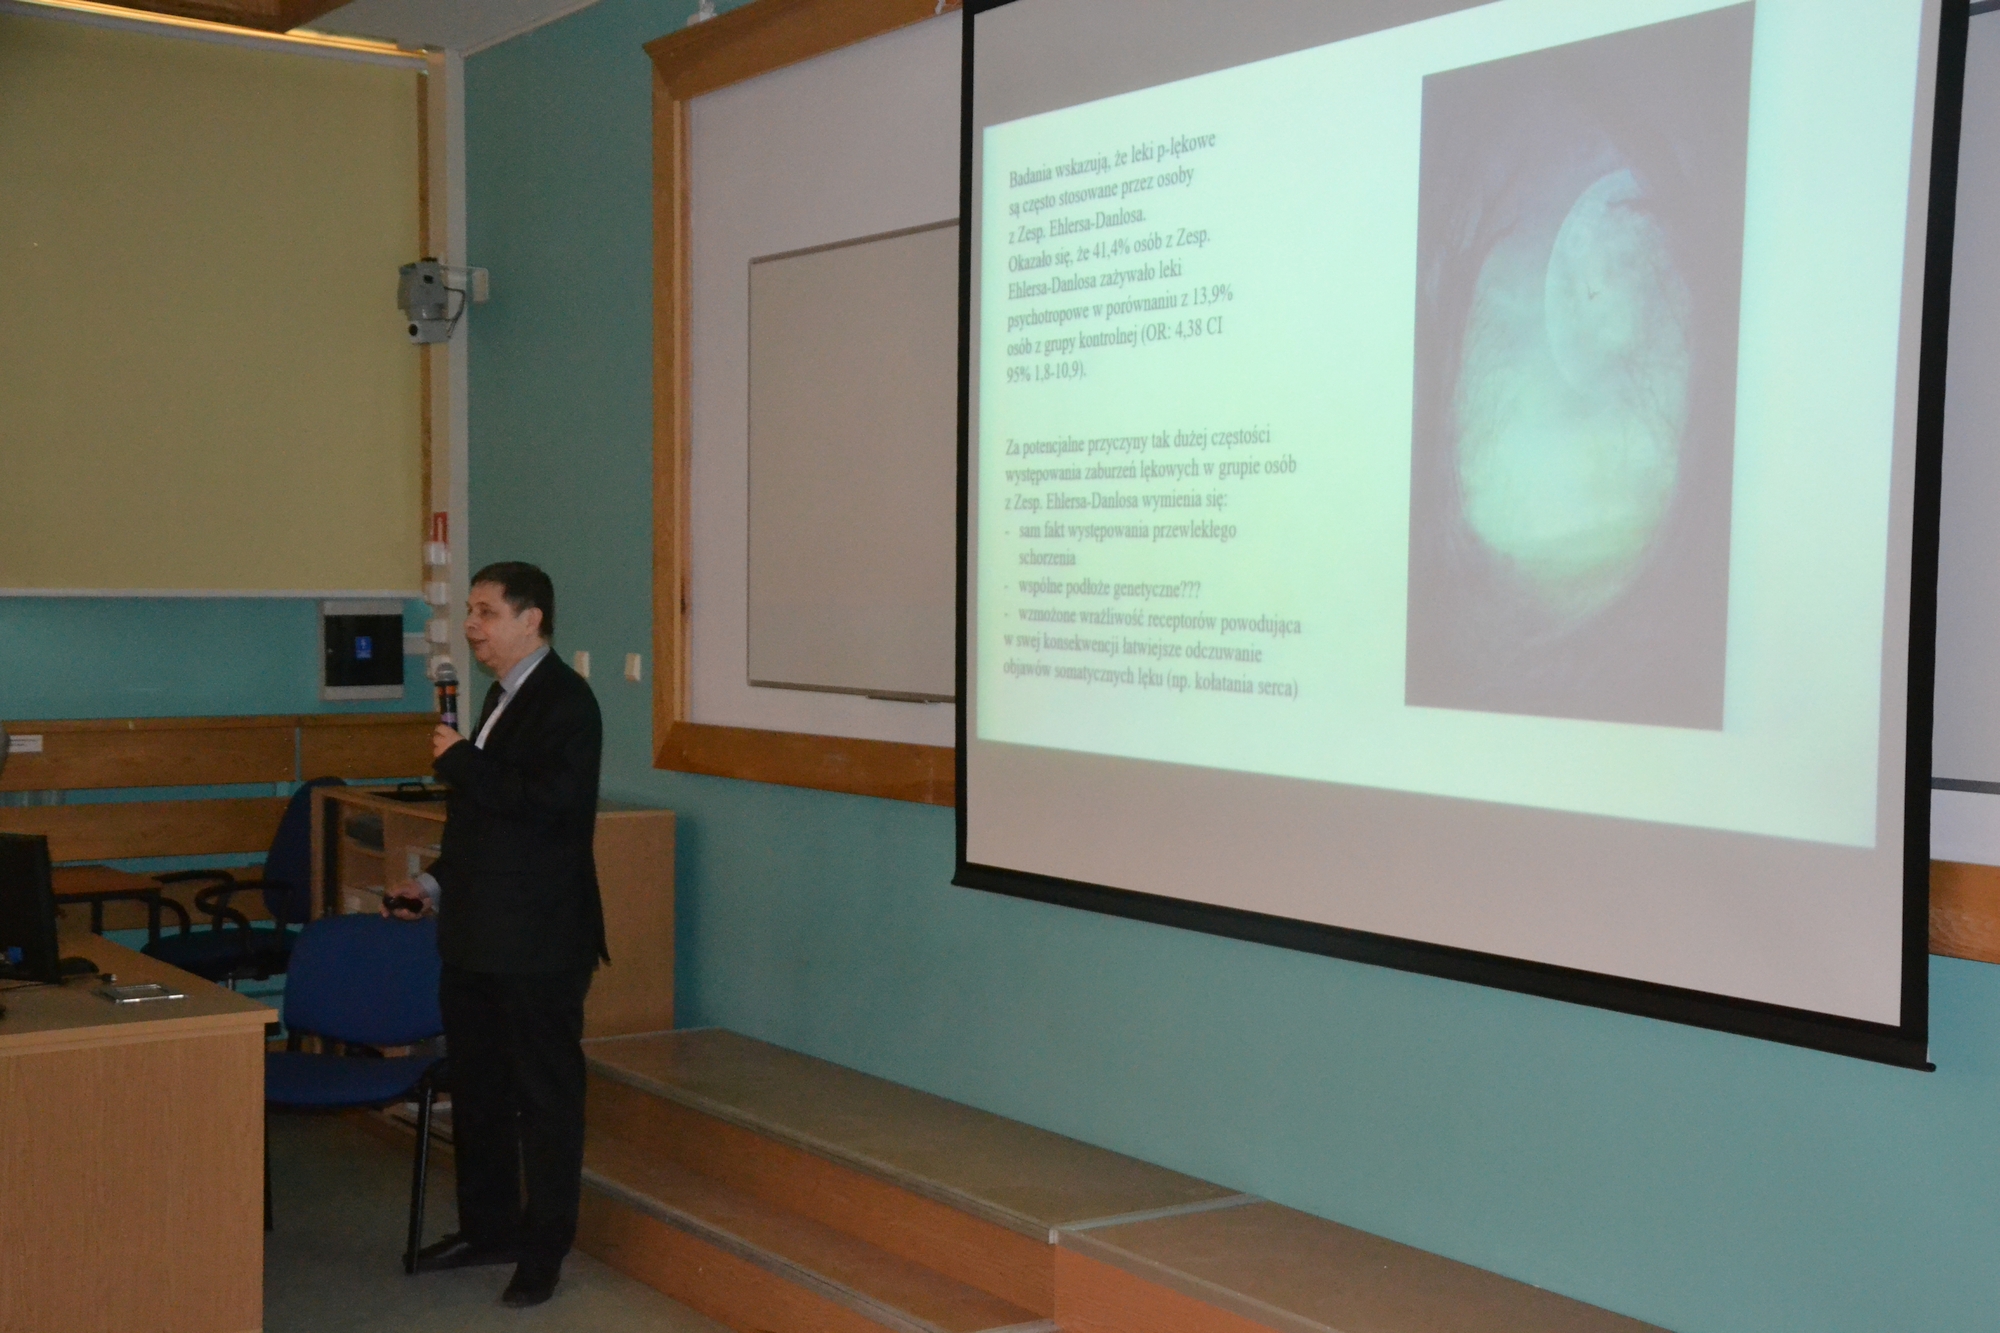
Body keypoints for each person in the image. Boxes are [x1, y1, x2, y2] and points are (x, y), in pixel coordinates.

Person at [384, 561, 606, 1309]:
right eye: (471, 612)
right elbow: (484, 826)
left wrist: (463, 763)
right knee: (478, 1093)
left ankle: (543, 1251)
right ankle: (489, 1229)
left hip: (539, 942)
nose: (472, 627)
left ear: (530, 619)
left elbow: (551, 808)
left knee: (544, 1102)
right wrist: (431, 885)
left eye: (485, 612)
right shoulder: (500, 697)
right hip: (477, 935)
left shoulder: (566, 702)